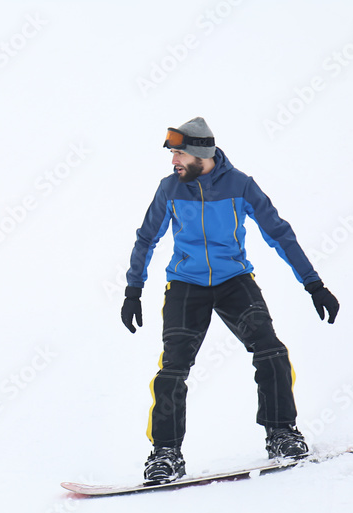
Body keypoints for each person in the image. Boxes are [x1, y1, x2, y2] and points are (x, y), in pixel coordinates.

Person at [120, 117, 339, 484]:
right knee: (172, 370)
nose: (173, 160)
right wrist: (133, 289)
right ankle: (165, 455)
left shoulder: (241, 186)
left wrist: (313, 284)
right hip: (186, 284)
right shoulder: (169, 189)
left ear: (199, 153)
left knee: (271, 351)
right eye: (172, 152)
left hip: (234, 281)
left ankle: (282, 433)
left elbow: (280, 235)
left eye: (178, 152)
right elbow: (147, 238)